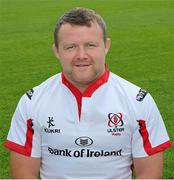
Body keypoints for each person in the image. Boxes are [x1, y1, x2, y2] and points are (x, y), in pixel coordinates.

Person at [4, 7, 172, 179]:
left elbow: (149, 174)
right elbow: (23, 174)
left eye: (90, 45)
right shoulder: (32, 102)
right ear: (56, 51)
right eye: (70, 47)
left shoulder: (139, 101)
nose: (81, 55)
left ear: (106, 46)